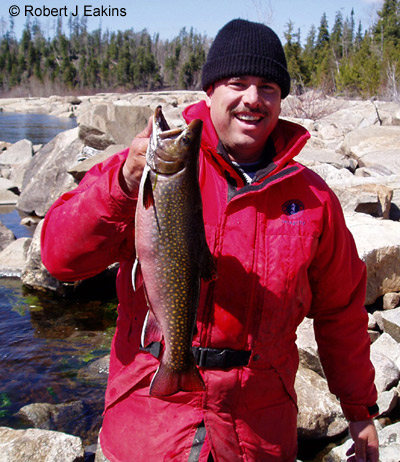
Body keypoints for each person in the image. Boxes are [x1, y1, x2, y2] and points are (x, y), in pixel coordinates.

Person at [41, 18, 379, 462]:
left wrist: (359, 411)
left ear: (281, 99)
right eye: (237, 83)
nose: (252, 100)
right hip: (150, 428)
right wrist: (122, 184)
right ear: (211, 91)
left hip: (258, 435)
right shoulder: (144, 171)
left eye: (268, 88)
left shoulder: (313, 198)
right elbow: (61, 259)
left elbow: (340, 312)